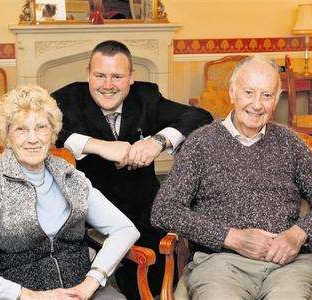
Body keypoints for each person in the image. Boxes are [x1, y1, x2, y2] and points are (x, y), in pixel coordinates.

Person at [151, 55, 312, 299]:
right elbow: (164, 210)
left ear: (276, 100)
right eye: (248, 92)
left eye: (266, 95)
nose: (257, 104)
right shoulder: (200, 144)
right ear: (232, 93)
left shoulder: (289, 143)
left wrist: (298, 233)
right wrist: (230, 237)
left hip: (286, 266)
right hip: (221, 264)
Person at [0, 85, 140, 300]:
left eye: (41, 127)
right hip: (20, 295)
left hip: (79, 292)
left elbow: (125, 229)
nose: (33, 139)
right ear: (7, 135)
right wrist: (29, 295)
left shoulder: (69, 175)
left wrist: (92, 281)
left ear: (53, 132)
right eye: (21, 130)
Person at [51, 40, 212, 298]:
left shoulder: (146, 97)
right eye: (100, 75)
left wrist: (157, 142)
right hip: (85, 214)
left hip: (141, 209)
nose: (107, 85)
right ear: (88, 74)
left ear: (131, 78)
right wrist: (98, 146)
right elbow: (39, 131)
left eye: (117, 76)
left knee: (158, 286)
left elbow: (200, 117)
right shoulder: (66, 98)